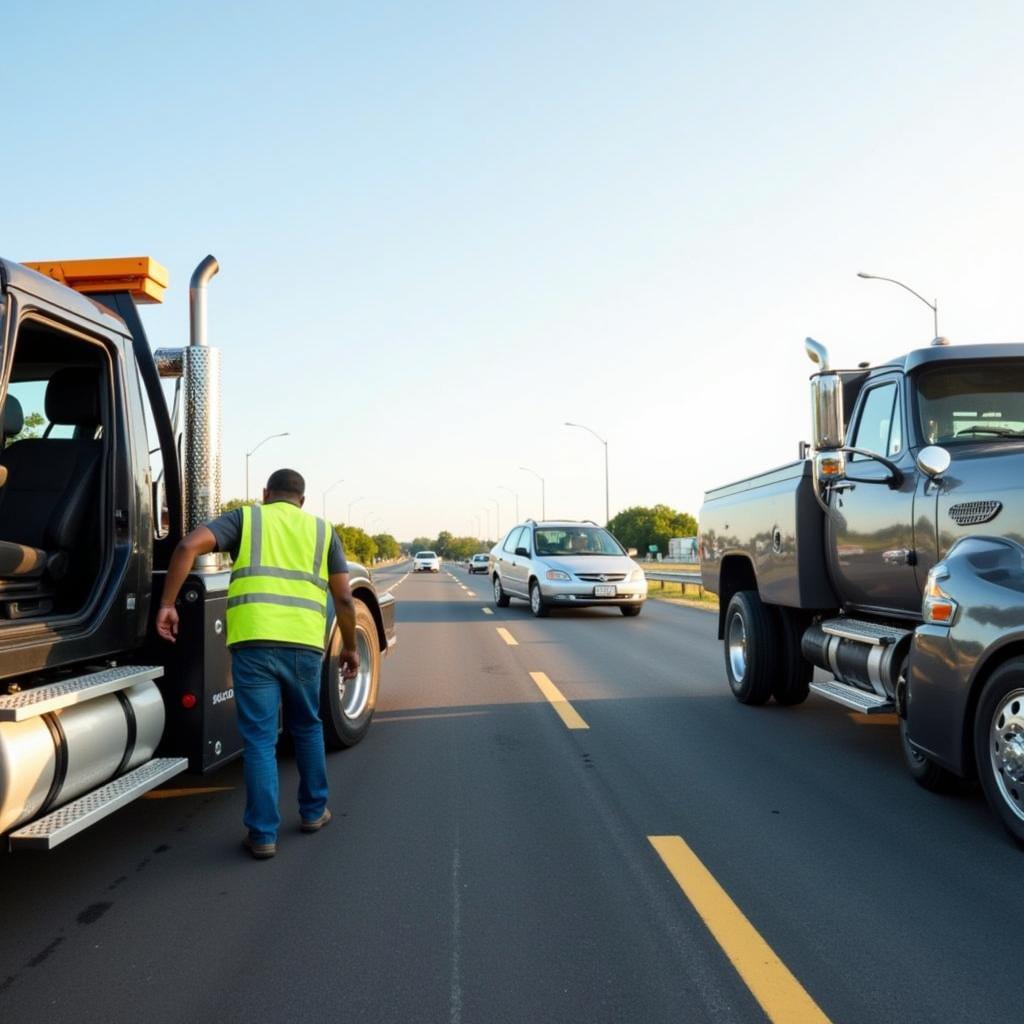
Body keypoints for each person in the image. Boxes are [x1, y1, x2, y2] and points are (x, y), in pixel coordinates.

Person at [156, 468, 359, 860]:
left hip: (252, 644)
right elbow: (345, 600)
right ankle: (314, 812)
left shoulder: (246, 518)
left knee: (261, 741)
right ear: (303, 500)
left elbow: (186, 548)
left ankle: (263, 835)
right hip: (304, 644)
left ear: (266, 493)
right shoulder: (323, 530)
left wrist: (167, 605)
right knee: (307, 727)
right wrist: (349, 647)